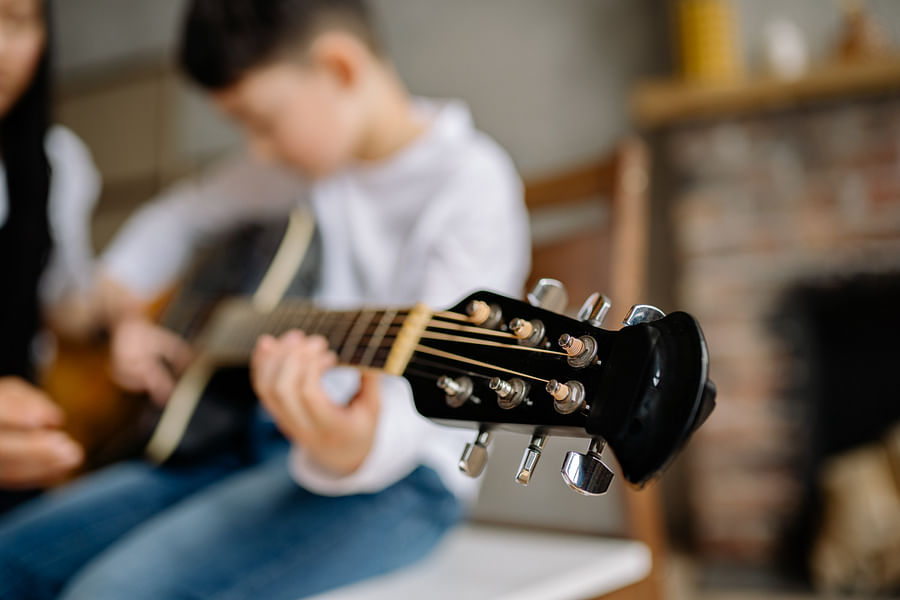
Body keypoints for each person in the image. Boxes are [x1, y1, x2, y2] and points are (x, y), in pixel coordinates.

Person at [0, 1, 530, 598]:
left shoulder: (469, 185)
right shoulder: (304, 167)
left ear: (339, 67)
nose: (257, 150)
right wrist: (124, 311)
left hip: (397, 481)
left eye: (262, 120)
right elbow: (177, 216)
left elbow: (436, 396)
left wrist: (352, 444)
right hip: (238, 443)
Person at [0, 0, 100, 509]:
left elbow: (63, 302)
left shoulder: (57, 162)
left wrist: (124, 321)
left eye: (18, 21)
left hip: (20, 465)